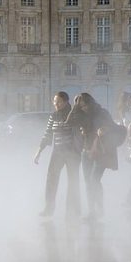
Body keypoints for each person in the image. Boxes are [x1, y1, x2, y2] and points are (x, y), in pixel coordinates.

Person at [69, 93, 123, 221]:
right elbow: (69, 122)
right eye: (81, 106)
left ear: (90, 102)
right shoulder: (80, 113)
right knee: (88, 182)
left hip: (101, 151)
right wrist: (75, 107)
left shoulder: (102, 113)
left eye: (85, 104)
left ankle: (100, 208)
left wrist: (105, 129)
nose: (84, 108)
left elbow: (114, 127)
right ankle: (92, 211)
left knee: (94, 180)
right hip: (85, 151)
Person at [34, 91, 81, 219]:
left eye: (58, 102)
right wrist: (39, 152)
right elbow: (47, 134)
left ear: (66, 101)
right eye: (54, 102)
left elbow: (80, 133)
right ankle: (49, 208)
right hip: (58, 152)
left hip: (72, 153)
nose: (56, 104)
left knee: (73, 181)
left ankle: (72, 210)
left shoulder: (74, 114)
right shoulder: (53, 116)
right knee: (51, 180)